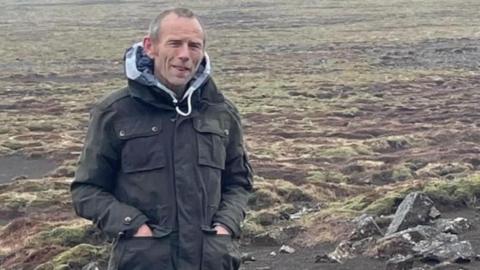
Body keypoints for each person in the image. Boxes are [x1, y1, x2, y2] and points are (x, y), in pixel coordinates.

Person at [71, 8, 253, 270]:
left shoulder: (221, 112)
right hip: (143, 262)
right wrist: (133, 227)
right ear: (150, 46)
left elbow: (238, 183)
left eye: (194, 46)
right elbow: (86, 190)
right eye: (175, 43)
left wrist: (226, 226)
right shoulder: (114, 112)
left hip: (212, 261)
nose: (184, 55)